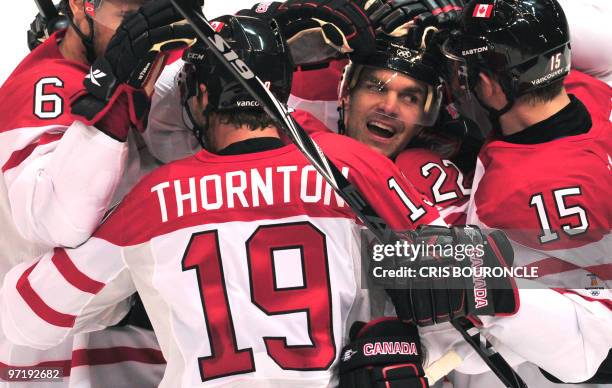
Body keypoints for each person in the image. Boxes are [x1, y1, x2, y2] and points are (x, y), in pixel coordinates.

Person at [0, 14, 446, 387]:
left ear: (200, 97)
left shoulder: (155, 198)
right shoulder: (352, 164)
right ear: (284, 90)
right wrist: (402, 341)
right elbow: (476, 283)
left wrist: (123, 297)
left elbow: (27, 316)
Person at [405, 0, 612, 386]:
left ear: (488, 84)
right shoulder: (595, 89)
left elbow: (583, 350)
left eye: (464, 73)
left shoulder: (506, 197)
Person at [0, 0, 193, 386]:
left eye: (153, 18)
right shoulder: (46, 85)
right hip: (59, 359)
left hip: (142, 346)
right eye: (126, 20)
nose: (146, 39)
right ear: (78, 6)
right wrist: (111, 102)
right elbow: (53, 221)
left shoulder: (154, 62)